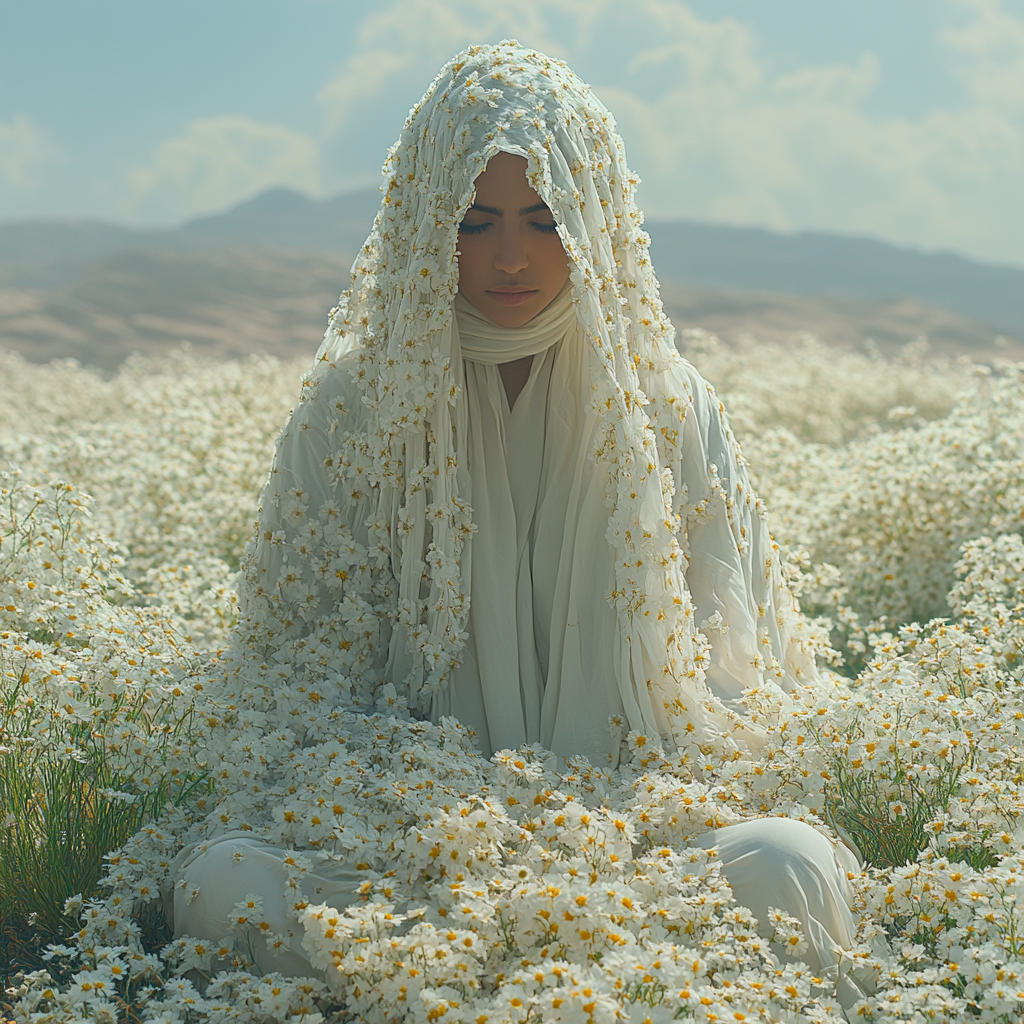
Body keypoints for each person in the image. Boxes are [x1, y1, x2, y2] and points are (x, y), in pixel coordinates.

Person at [168, 41, 869, 1008]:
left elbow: (725, 672)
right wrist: (434, 826)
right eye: (475, 220)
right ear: (425, 222)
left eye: (546, 220)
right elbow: (298, 674)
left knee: (784, 866)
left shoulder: (666, 404)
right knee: (227, 888)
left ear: (594, 221)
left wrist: (598, 825)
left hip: (637, 824)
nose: (509, 257)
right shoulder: (352, 407)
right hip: (388, 831)